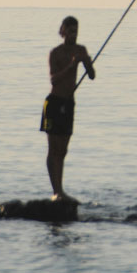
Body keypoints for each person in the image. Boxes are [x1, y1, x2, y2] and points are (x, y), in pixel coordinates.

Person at [40, 16, 95, 202]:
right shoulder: (55, 53)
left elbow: (92, 76)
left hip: (69, 104)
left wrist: (87, 62)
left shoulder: (81, 50)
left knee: (63, 150)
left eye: (76, 32)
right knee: (53, 148)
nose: (73, 35)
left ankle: (60, 189)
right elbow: (54, 79)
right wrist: (71, 65)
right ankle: (56, 190)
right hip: (54, 102)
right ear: (63, 31)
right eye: (70, 31)